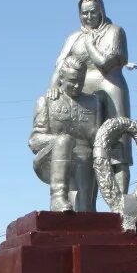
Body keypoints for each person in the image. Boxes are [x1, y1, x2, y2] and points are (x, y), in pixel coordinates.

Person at [47, 0, 131, 198]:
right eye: (84, 13)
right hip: (82, 94)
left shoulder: (114, 31)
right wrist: (54, 86)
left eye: (93, 12)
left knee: (116, 150)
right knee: (83, 152)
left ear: (101, 9)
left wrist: (90, 44)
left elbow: (105, 63)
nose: (89, 17)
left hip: (110, 89)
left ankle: (119, 207)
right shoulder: (74, 37)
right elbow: (60, 64)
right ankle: (85, 208)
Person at [30, 57, 102, 211]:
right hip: (51, 158)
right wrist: (61, 141)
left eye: (80, 81)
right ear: (61, 77)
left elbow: (96, 138)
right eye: (72, 81)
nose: (77, 85)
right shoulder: (47, 101)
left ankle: (85, 215)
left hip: (84, 159)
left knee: (85, 209)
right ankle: (57, 198)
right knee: (64, 141)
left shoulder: (93, 103)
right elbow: (34, 141)